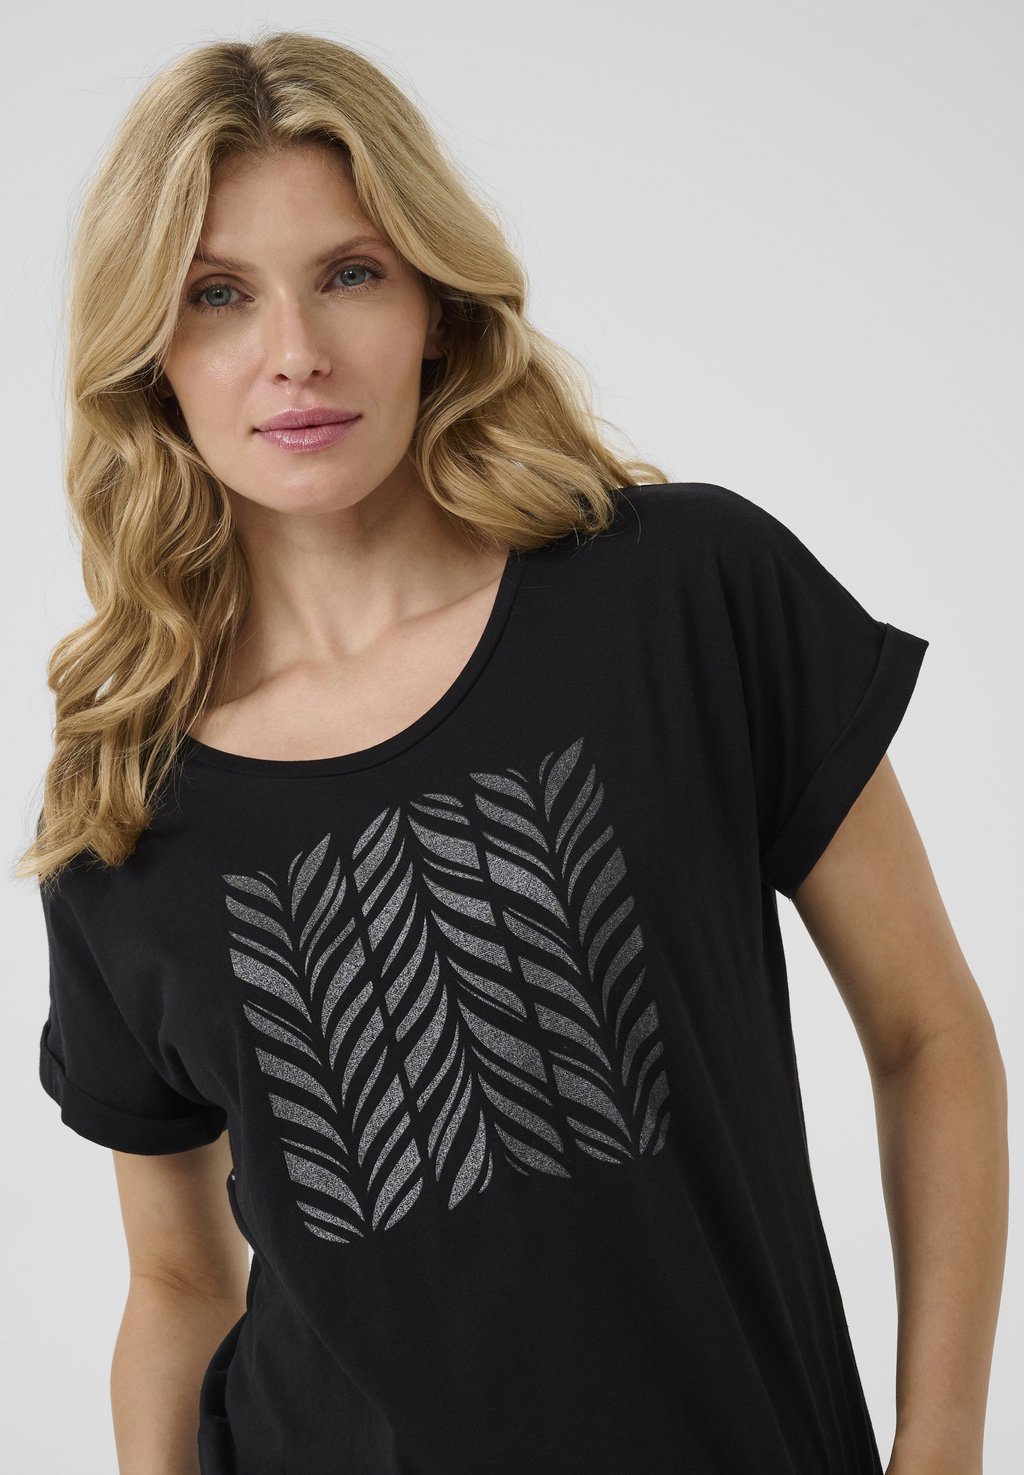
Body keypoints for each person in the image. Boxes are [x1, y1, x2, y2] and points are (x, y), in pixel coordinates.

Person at [19, 28, 1006, 1475]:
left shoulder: (685, 596)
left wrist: (943, 1446)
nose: (295, 352)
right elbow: (175, 1282)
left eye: (351, 272)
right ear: (151, 358)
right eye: (216, 295)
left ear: (433, 300)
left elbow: (930, 1035)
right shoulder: (127, 798)